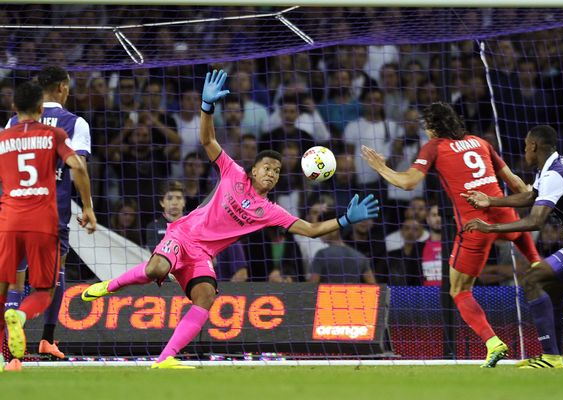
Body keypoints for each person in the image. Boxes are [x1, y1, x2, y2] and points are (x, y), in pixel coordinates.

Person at [81, 70, 379, 369]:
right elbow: (207, 138)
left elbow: (312, 230)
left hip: (203, 254)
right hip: (183, 235)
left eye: (276, 171)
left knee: (206, 297)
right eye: (266, 167)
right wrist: (207, 107)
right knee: (157, 267)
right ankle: (110, 286)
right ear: (253, 169)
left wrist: (344, 220)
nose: (272, 173)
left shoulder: (270, 210)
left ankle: (165, 359)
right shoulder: (232, 172)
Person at [361, 101, 541, 368]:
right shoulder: (480, 142)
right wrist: (533, 196)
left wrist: (381, 168)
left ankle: (493, 342)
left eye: (427, 127)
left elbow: (408, 183)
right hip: (502, 211)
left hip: (474, 225)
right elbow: (514, 181)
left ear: (433, 127)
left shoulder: (434, 147)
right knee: (514, 227)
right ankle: (537, 261)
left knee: (459, 290)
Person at [463, 125, 563, 369]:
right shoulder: (555, 166)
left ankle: (549, 356)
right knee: (552, 291)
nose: (524, 150)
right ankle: (555, 358)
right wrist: (491, 200)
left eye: (526, 145)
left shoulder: (554, 175)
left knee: (532, 279)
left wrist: (490, 228)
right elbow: (530, 197)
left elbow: (536, 221)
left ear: (534, 146)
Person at [0, 81, 95, 371]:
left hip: (10, 218)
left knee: (6, 288)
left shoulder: (3, 137)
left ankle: (10, 358)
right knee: (44, 289)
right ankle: (25, 318)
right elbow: (78, 166)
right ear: (41, 108)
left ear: (14, 108)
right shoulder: (55, 134)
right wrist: (88, 208)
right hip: (44, 219)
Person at [309, 210, 376, 284]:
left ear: (334, 230)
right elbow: (374, 287)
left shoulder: (321, 254)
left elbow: (311, 287)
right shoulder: (360, 257)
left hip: (328, 295)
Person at [145, 181, 186, 250]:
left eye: (178, 198)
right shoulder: (153, 227)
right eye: (169, 198)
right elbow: (156, 254)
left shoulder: (192, 226)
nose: (174, 202)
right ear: (162, 203)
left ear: (184, 202)